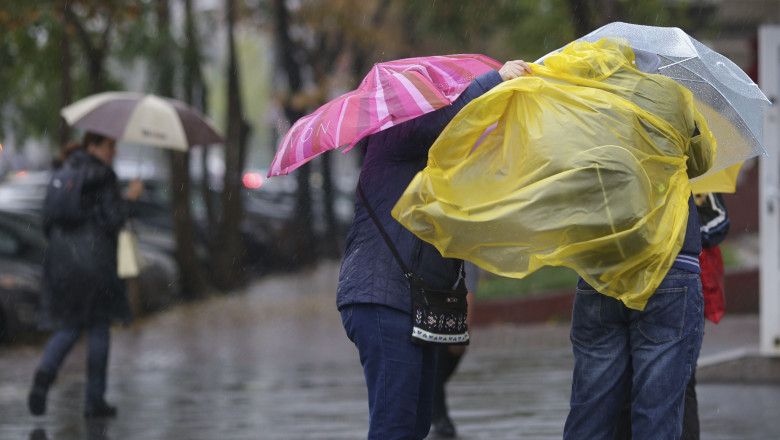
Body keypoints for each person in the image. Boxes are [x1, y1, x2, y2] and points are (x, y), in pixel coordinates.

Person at [337, 59, 532, 440]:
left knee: (415, 423)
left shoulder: (422, 150)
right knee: (395, 426)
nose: (437, 101)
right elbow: (447, 120)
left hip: (411, 300)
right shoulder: (397, 131)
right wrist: (494, 80)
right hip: (383, 300)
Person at [563, 47, 715, 440]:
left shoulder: (583, 100)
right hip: (668, 269)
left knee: (590, 410)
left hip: (601, 267)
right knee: (658, 414)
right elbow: (702, 161)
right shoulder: (671, 96)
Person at [28, 132, 144, 419]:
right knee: (99, 327)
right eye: (109, 145)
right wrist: (130, 198)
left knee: (68, 325)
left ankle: (44, 376)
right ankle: (94, 401)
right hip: (96, 262)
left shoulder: (62, 170)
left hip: (61, 263)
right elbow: (114, 220)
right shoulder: (103, 175)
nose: (113, 151)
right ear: (92, 146)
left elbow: (47, 220)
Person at [613, 192, 730, 440]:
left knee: (681, 381)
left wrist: (680, 230)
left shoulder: (697, 175)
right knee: (626, 383)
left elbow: (720, 221)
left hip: (680, 280)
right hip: (633, 280)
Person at [431, 261, 478, 438]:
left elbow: (467, 292)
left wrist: (460, 335)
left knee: (431, 384)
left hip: (444, 334)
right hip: (429, 330)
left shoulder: (461, 256)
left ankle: (442, 424)